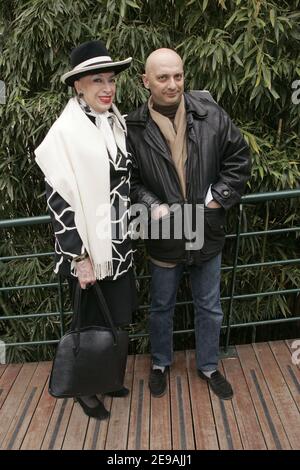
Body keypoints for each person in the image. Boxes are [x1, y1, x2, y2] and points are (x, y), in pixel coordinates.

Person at [126, 48, 251, 400]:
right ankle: (160, 363)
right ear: (145, 81)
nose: (172, 84)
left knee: (209, 306)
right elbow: (128, 180)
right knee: (161, 305)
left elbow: (239, 159)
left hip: (206, 228)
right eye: (163, 77)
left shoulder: (209, 113)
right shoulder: (133, 126)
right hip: (164, 230)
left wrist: (217, 199)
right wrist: (152, 204)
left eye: (178, 76)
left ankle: (209, 366)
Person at [35, 40, 137, 419]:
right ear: (79, 85)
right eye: (97, 81)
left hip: (119, 243)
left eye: (110, 80)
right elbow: (59, 203)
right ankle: (86, 388)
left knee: (117, 315)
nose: (107, 88)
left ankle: (107, 375)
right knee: (90, 320)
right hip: (89, 250)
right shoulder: (67, 132)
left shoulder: (113, 121)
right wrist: (79, 256)